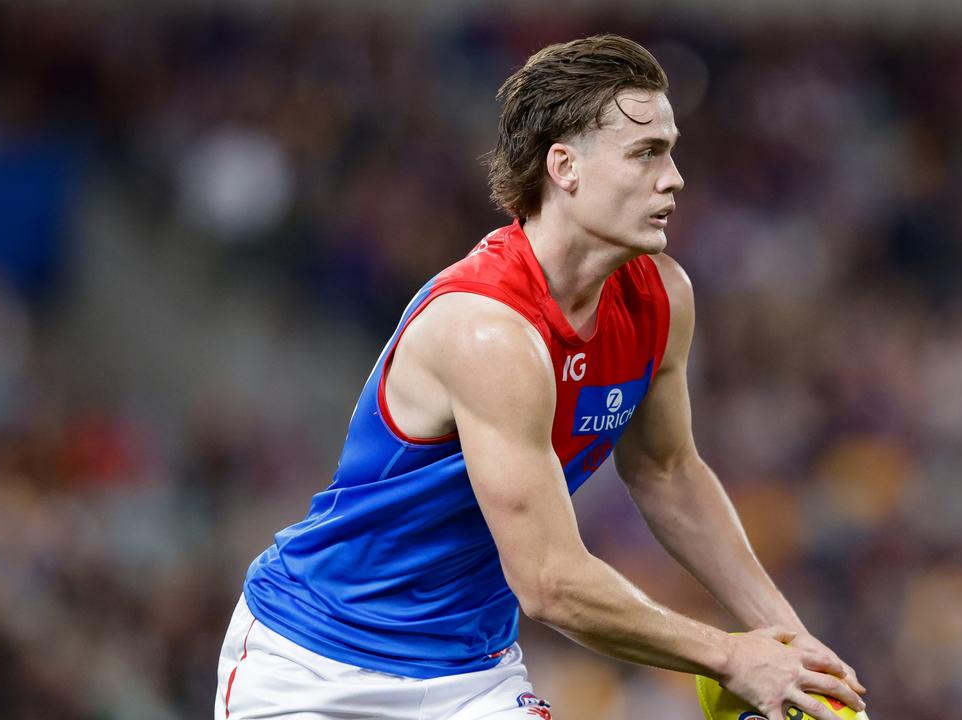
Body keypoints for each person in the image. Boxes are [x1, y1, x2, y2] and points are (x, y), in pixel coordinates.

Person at [216, 34, 866, 720]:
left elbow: (668, 472)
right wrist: (731, 656)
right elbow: (550, 584)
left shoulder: (662, 298)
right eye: (646, 153)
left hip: (471, 672)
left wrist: (794, 647)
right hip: (316, 664)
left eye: (671, 151)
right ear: (565, 166)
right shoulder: (487, 330)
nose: (673, 177)